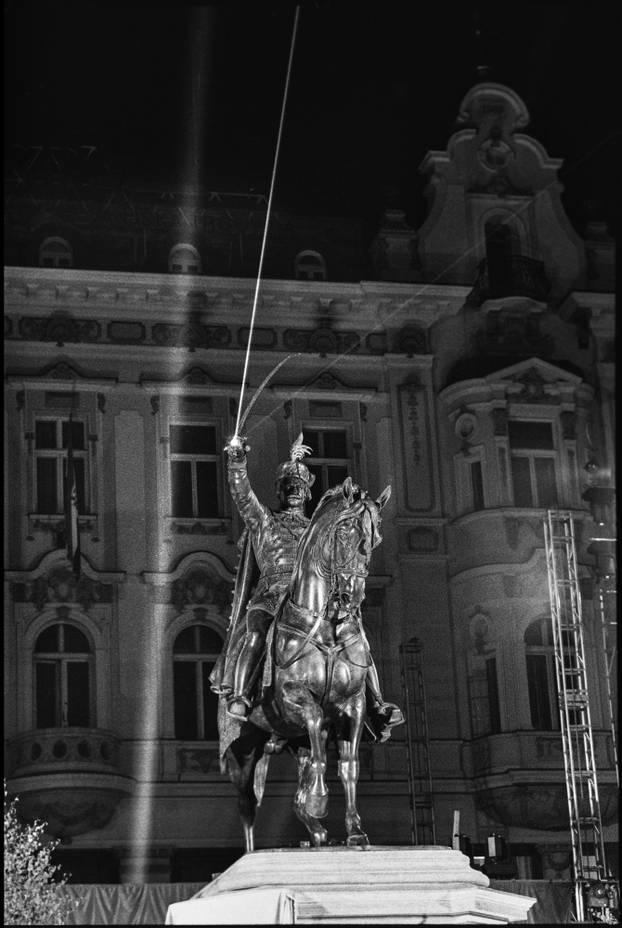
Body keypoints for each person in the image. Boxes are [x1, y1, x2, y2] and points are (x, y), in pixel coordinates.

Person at [212, 431, 403, 741]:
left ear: (308, 493)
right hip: (272, 597)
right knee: (257, 632)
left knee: (357, 635)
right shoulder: (265, 521)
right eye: (289, 486)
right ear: (279, 490)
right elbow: (243, 496)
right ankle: (242, 694)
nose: (295, 491)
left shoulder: (317, 527)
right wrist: (237, 461)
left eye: (300, 487)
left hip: (316, 600)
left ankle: (375, 704)